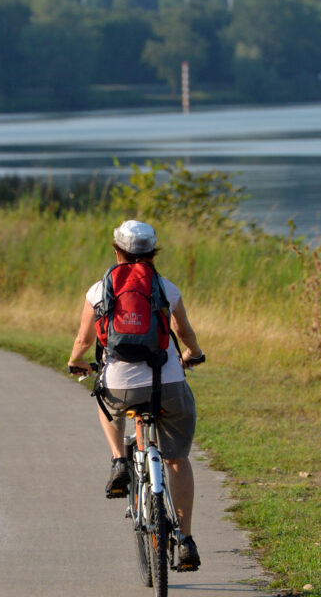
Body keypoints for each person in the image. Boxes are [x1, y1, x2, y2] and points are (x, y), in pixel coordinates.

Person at [67, 220, 204, 570]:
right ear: (153, 253)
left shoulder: (99, 290)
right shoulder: (165, 287)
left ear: (117, 251)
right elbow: (184, 331)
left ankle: (118, 460)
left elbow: (84, 340)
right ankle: (185, 541)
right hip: (167, 383)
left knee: (105, 403)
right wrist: (194, 354)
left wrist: (75, 360)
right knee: (177, 459)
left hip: (119, 384)